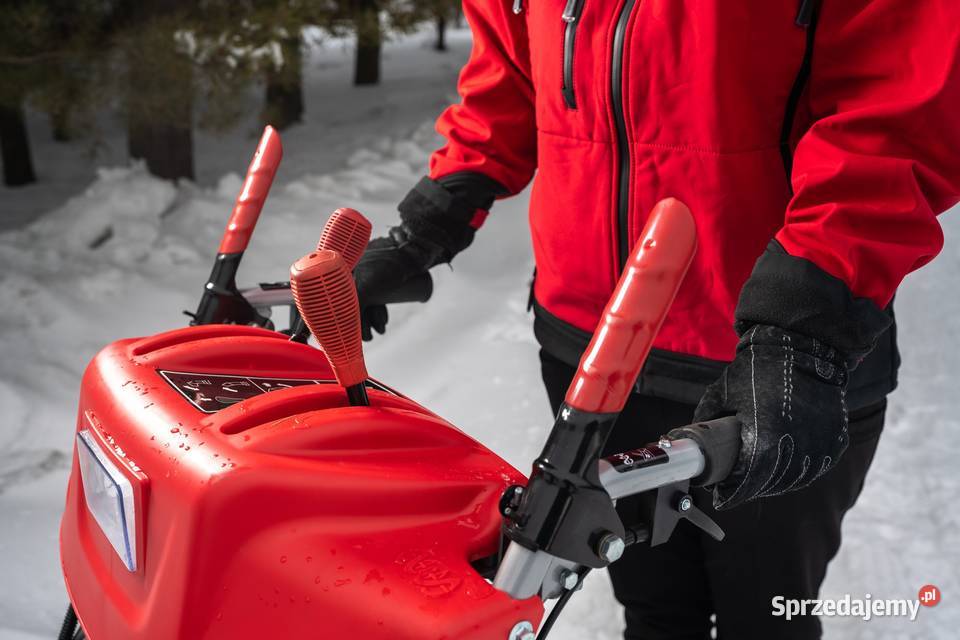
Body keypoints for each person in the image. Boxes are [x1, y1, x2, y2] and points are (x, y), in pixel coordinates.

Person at [352, 1, 960, 638]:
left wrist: (802, 324)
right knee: (653, 612)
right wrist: (426, 226)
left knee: (770, 616)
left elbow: (895, 117)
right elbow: (510, 77)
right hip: (589, 356)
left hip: (772, 369)